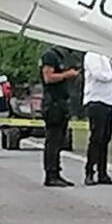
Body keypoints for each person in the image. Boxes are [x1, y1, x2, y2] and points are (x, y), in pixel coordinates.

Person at [39, 45, 80, 187]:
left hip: (62, 103)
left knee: (59, 141)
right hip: (53, 104)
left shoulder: (62, 57)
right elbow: (48, 77)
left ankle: (56, 172)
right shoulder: (50, 56)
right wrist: (66, 75)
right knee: (53, 140)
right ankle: (50, 174)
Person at [81, 51, 112, 186]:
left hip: (109, 100)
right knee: (96, 138)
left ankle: (102, 172)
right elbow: (98, 75)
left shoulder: (107, 57)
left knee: (105, 138)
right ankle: (89, 171)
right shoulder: (92, 55)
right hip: (96, 100)